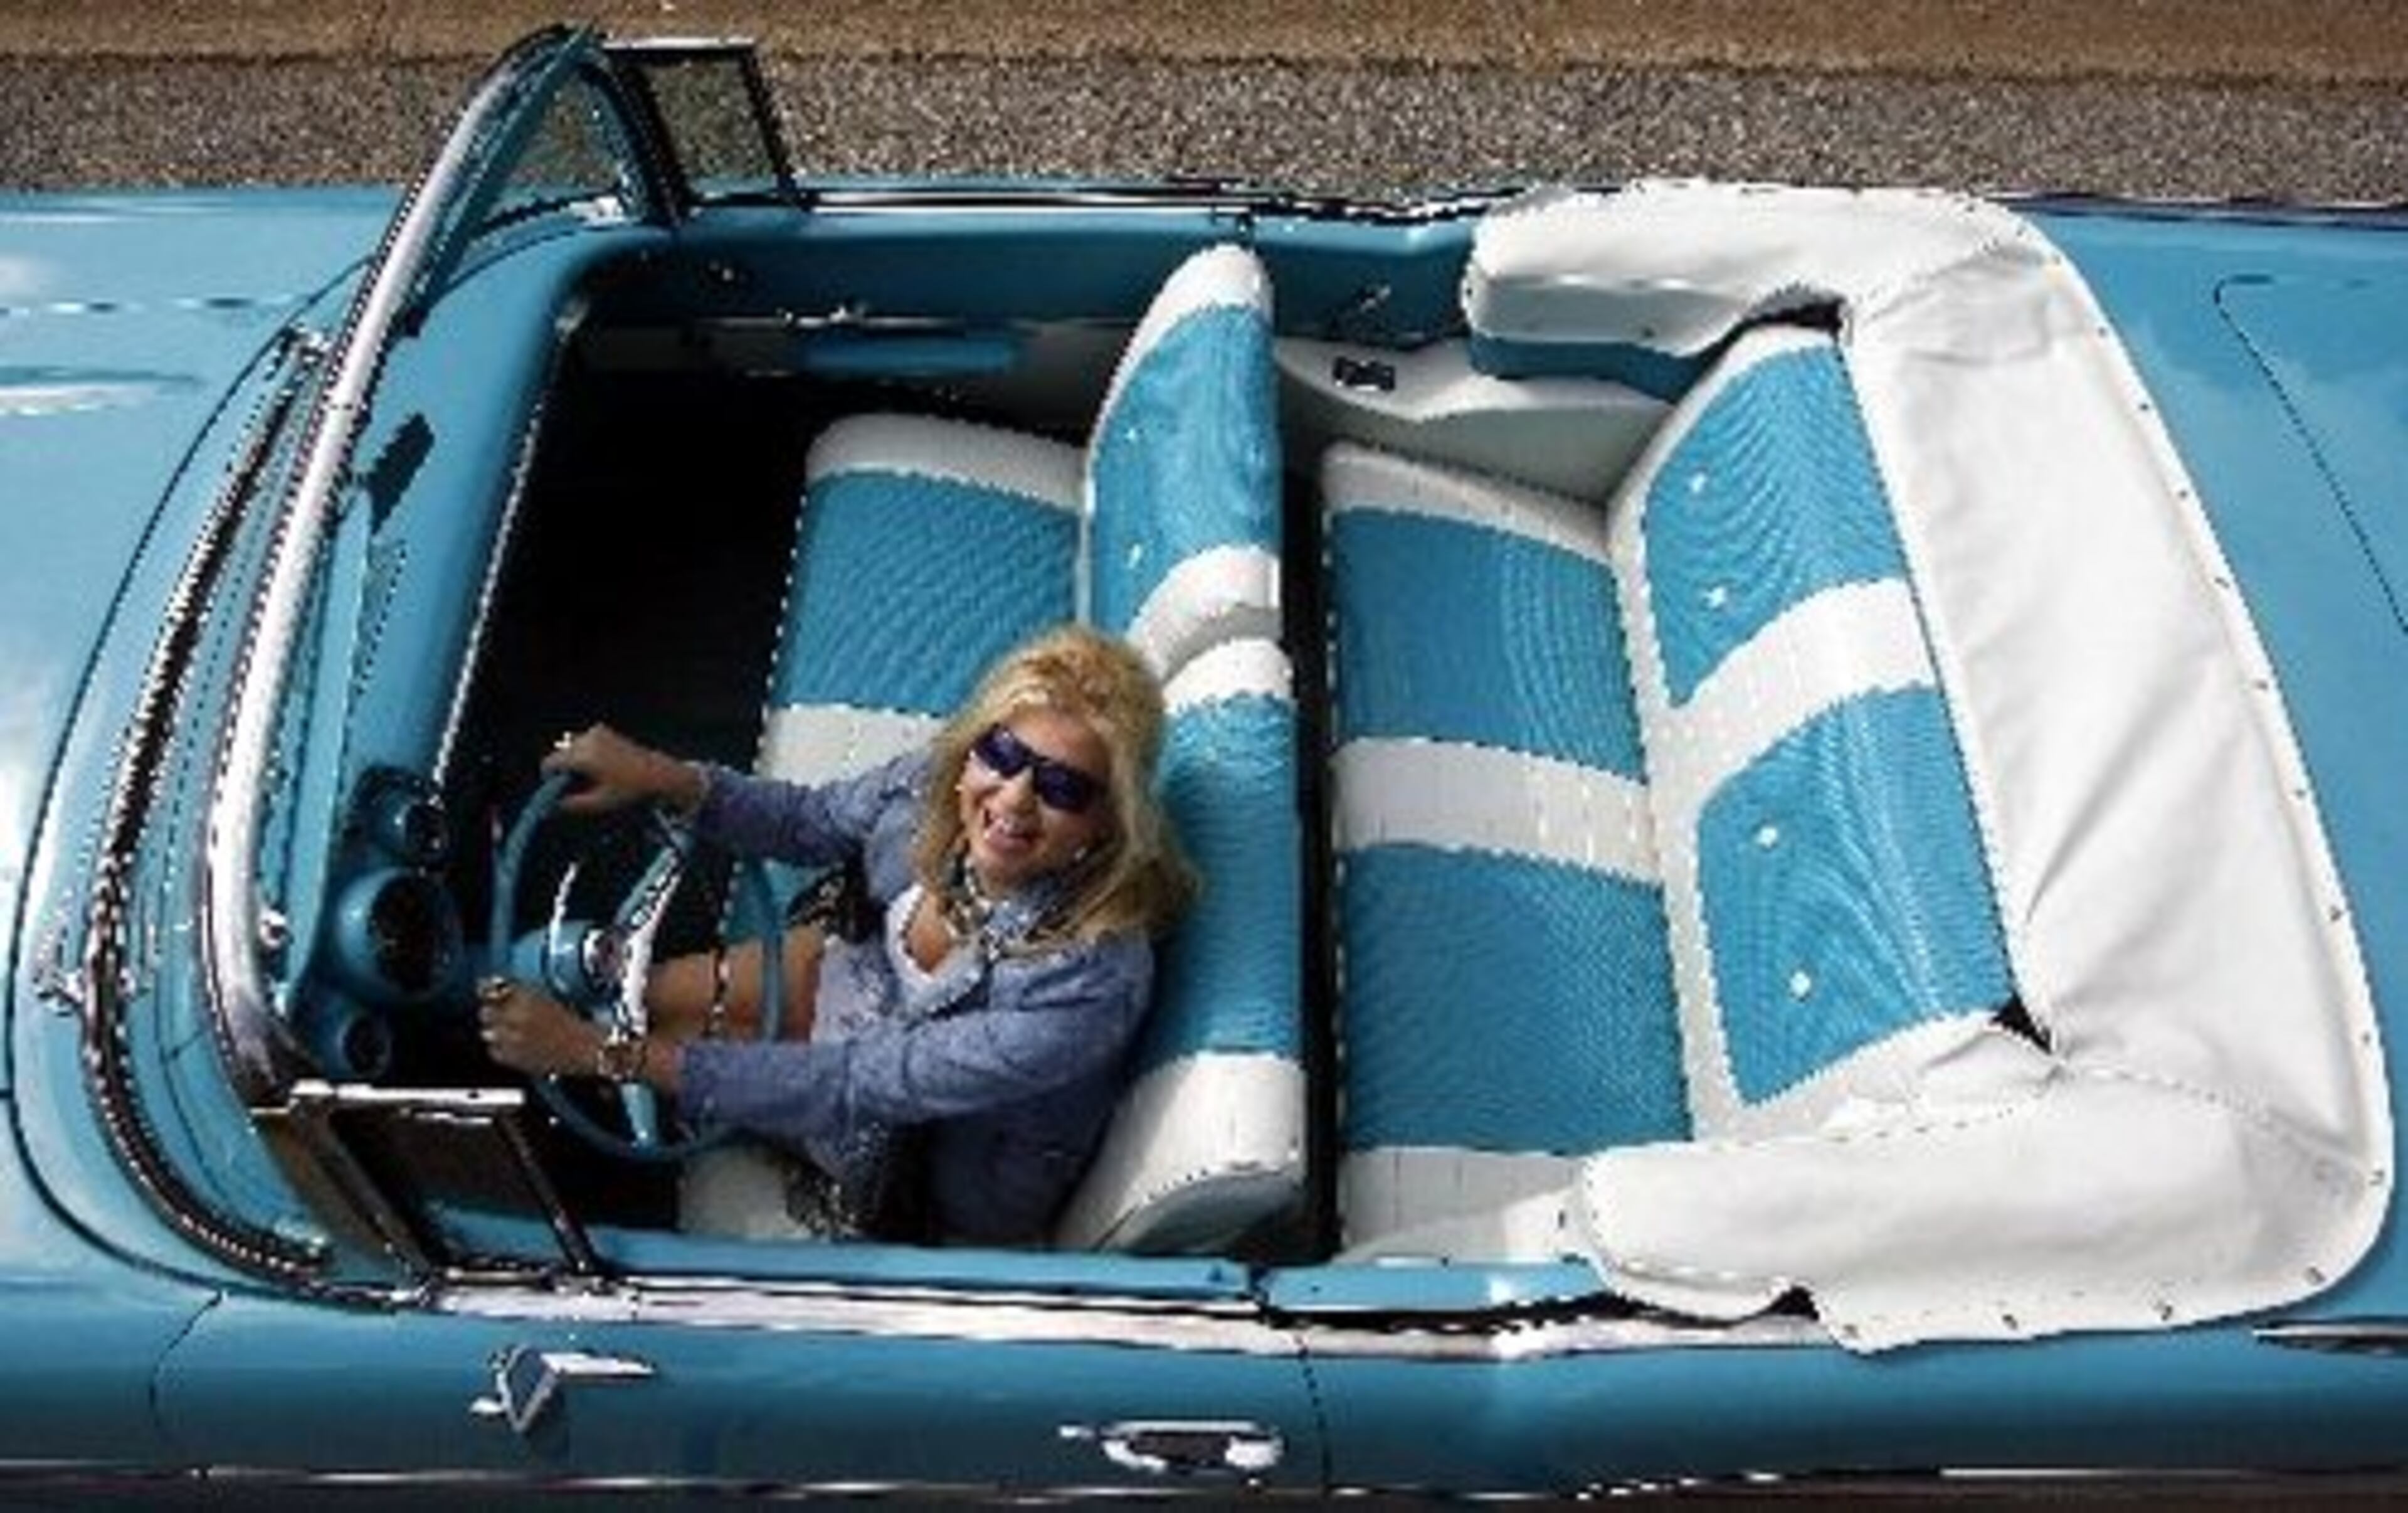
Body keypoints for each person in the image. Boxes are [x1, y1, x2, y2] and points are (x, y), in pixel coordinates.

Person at [478, 625, 1196, 1246]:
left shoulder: (1087, 986)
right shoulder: (930, 782)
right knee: (638, 992)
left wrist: (599, 1056)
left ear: (1108, 822)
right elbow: (809, 823)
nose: (1012, 799)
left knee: (636, 1038)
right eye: (1004, 754)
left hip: (931, 1145)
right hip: (873, 981)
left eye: (1063, 788)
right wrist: (660, 775)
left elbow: (860, 1086)